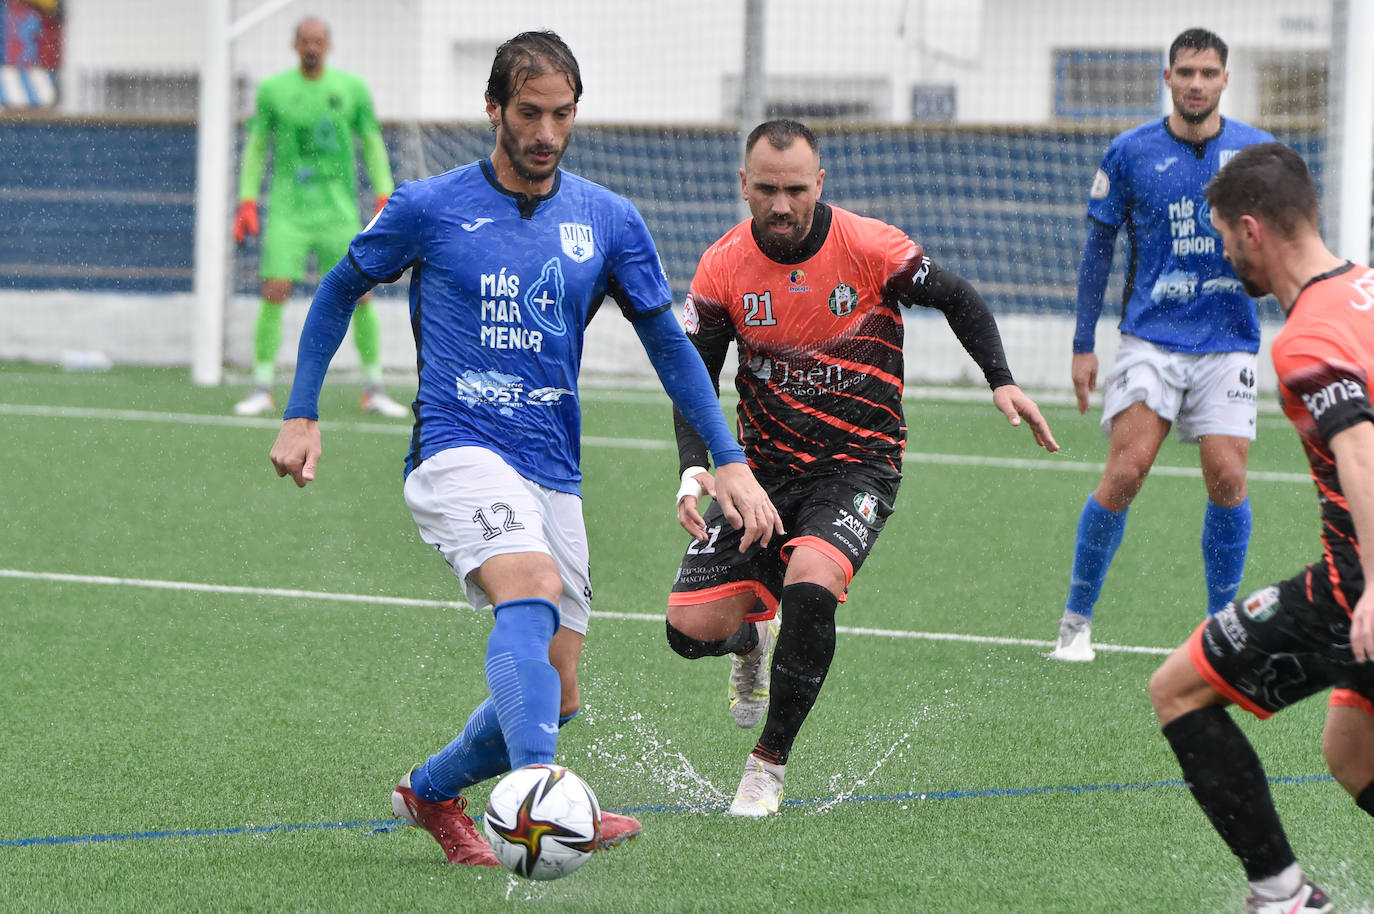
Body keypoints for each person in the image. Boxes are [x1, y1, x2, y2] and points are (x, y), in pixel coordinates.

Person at [268, 30, 780, 866]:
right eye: (530, 113)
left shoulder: (608, 219)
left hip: (553, 465)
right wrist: (302, 410)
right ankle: (544, 797)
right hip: (455, 448)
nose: (546, 132)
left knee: (559, 687)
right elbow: (339, 289)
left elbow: (669, 348)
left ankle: (429, 792)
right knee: (531, 587)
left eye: (563, 114)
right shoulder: (429, 207)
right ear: (494, 109)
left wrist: (726, 456)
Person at [664, 119, 1060, 817]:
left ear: (820, 183)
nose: (780, 205)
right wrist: (696, 469)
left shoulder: (873, 248)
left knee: (811, 586)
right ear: (743, 186)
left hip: (857, 466)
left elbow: (960, 297)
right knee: (686, 634)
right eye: (766, 190)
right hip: (760, 474)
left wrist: (1000, 378)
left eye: (794, 189)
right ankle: (749, 638)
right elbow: (694, 376)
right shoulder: (721, 266)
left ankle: (768, 766)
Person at [1149, 141, 1374, 914]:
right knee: (1353, 754)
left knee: (1177, 689)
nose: (1221, 253)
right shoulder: (1367, 291)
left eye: (1220, 236)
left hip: (1359, 586)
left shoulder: (1307, 337)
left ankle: (1281, 897)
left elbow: (1362, 452)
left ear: (1253, 231)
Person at [1050, 28, 1276, 662]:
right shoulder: (1129, 152)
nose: (1196, 83)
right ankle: (1076, 619)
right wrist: (1082, 343)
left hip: (1230, 340)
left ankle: (1221, 627)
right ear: (1168, 77)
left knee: (1228, 478)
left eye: (1208, 72)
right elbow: (1099, 251)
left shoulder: (1259, 154)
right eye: (1185, 72)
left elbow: (1288, 239)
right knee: (1126, 473)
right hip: (1152, 337)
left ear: (1225, 79)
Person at [232, 16, 408, 419]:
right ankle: (261, 386)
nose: (312, 47)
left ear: (328, 45)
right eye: (305, 40)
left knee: (361, 294)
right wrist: (246, 200)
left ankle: (373, 387)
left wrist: (384, 192)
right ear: (294, 45)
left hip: (338, 212)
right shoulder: (274, 90)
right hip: (289, 210)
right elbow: (258, 145)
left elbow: (373, 142)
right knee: (274, 289)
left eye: (318, 40)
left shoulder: (351, 89)